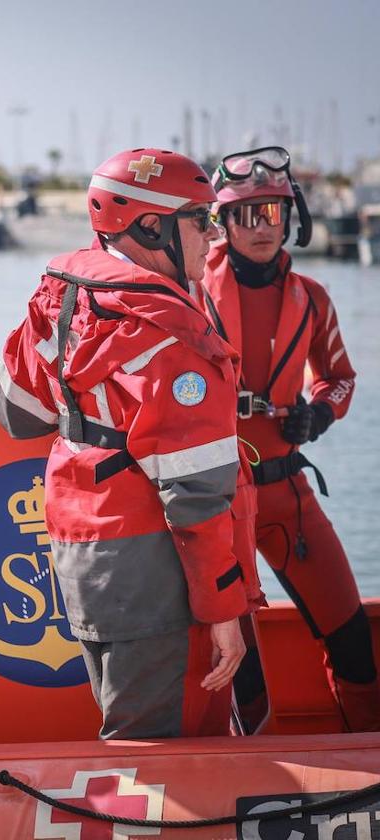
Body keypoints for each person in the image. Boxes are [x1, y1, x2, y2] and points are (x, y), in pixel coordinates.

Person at [0, 148, 264, 739]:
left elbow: (16, 412)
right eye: (202, 219)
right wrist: (223, 611)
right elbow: (195, 494)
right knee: (152, 745)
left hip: (83, 549)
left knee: (125, 712)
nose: (214, 236)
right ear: (150, 226)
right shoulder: (175, 336)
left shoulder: (59, 296)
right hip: (154, 566)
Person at [202, 146, 380, 731]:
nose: (260, 229)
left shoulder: (312, 297)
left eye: (272, 214)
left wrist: (319, 416)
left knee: (357, 646)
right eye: (246, 215)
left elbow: (339, 379)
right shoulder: (187, 295)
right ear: (222, 222)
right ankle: (242, 788)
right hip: (215, 506)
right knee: (239, 669)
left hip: (289, 497)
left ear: (291, 217)